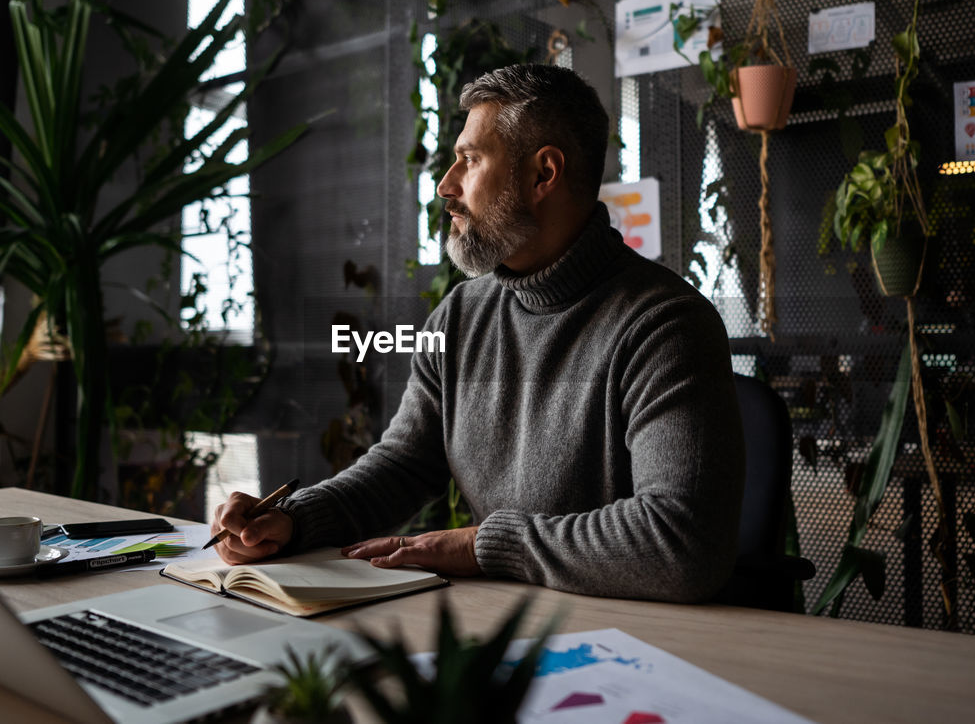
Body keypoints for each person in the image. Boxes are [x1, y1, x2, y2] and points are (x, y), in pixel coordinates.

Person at [211, 64, 745, 602]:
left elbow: (681, 544)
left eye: (470, 160)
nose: (446, 184)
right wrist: (294, 521)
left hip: (642, 645)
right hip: (508, 623)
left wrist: (480, 547)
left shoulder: (665, 325)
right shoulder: (460, 315)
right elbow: (402, 465)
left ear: (543, 175)